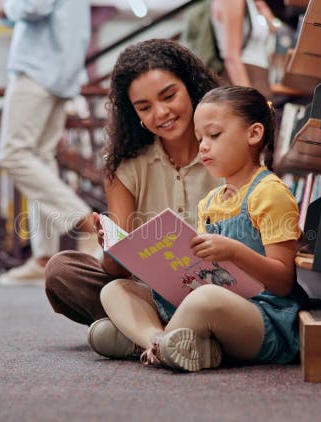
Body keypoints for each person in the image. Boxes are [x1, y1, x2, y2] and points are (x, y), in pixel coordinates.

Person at [92, 86, 306, 372]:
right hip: (204, 302)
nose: (203, 146)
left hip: (262, 317)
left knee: (205, 299)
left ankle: (144, 343)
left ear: (253, 134)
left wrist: (235, 252)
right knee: (115, 290)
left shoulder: (270, 193)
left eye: (214, 135)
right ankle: (160, 342)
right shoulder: (210, 202)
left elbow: (283, 282)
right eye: (199, 138)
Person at [44, 39, 222, 324]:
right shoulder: (124, 168)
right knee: (62, 270)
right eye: (144, 107)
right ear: (133, 113)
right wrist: (111, 248)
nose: (161, 113)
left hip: (220, 289)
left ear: (191, 88)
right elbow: (118, 272)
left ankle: (137, 331)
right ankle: (167, 328)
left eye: (169, 96)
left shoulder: (227, 148)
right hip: (148, 291)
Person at [0, 0, 95, 285]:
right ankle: (44, 258)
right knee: (39, 159)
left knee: (12, 153)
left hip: (38, 69)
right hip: (61, 72)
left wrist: (4, 7)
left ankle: (85, 221)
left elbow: (35, 5)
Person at [210, 0, 277, 98]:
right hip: (244, 77)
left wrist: (268, 16)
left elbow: (277, 30)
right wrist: (249, 98)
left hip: (260, 77)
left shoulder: (253, 3)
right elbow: (231, 56)